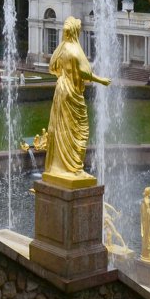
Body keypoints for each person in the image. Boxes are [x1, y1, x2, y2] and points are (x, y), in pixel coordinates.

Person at [43, 16, 111, 183]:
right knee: (80, 129)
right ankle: (74, 168)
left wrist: (65, 74)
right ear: (76, 32)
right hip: (72, 92)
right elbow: (85, 73)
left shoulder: (61, 48)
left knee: (62, 128)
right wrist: (101, 80)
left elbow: (52, 68)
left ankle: (61, 167)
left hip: (61, 90)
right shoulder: (74, 50)